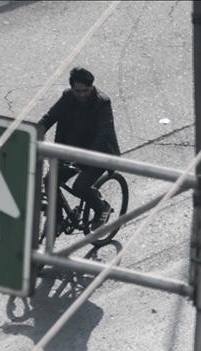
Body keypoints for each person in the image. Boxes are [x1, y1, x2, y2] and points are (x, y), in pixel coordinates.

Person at [36, 67, 120, 229]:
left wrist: (85, 160)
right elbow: (49, 118)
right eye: (77, 91)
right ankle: (57, 220)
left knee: (80, 187)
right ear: (72, 88)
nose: (81, 95)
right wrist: (34, 134)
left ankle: (102, 208)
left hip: (98, 155)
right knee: (50, 180)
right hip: (71, 151)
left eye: (85, 90)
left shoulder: (102, 103)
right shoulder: (67, 97)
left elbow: (103, 135)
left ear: (92, 87)